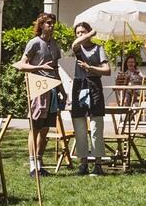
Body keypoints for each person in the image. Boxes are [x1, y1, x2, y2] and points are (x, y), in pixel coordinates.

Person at [13, 12, 62, 175]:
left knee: (46, 128)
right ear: (41, 25)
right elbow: (20, 65)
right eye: (48, 23)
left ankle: (40, 162)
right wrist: (40, 68)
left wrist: (62, 90)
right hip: (38, 88)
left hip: (52, 88)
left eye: (53, 23)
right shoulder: (34, 43)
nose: (51, 25)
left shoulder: (54, 45)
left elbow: (55, 69)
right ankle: (32, 164)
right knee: (35, 127)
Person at [69, 21, 110, 176]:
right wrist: (91, 32)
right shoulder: (77, 48)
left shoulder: (98, 49)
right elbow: (74, 44)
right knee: (79, 128)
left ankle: (98, 164)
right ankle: (83, 163)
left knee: (96, 127)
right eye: (78, 32)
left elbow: (107, 70)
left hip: (94, 85)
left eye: (82, 31)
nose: (80, 35)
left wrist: (90, 68)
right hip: (79, 86)